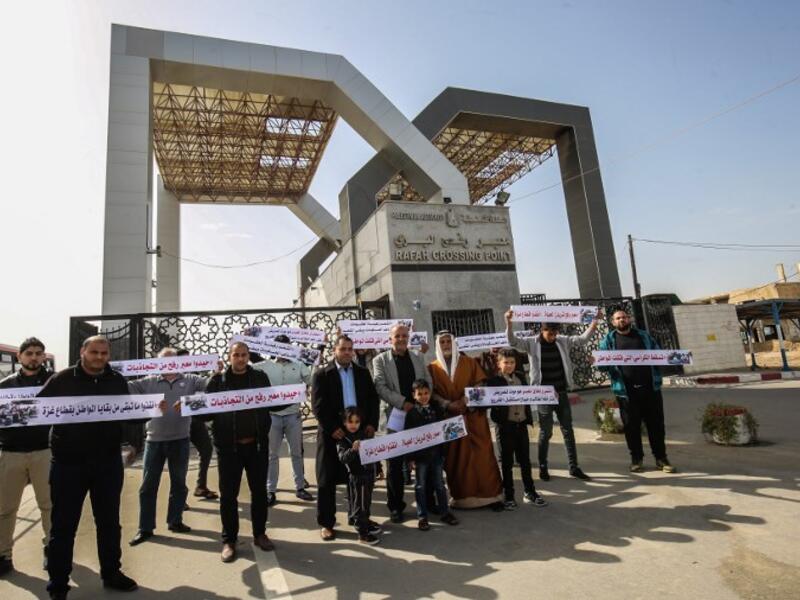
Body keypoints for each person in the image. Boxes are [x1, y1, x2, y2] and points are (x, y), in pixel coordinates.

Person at [40, 336, 138, 599]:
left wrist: (150, 411)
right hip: (68, 465)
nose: (99, 357)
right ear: (83, 352)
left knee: (109, 523)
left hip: (107, 464)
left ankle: (111, 572)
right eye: (94, 352)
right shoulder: (62, 379)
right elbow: (38, 411)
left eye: (104, 353)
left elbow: (129, 412)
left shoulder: (116, 380)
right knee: (63, 526)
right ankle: (58, 584)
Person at [127, 348, 214, 546]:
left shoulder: (191, 380)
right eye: (163, 361)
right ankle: (145, 528)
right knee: (148, 486)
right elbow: (123, 389)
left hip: (180, 440)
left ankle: (175, 521)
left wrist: (216, 371)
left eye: (171, 361)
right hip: (154, 441)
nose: (167, 365)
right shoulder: (147, 381)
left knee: (179, 484)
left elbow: (212, 386)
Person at [204, 341, 276, 563]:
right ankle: (229, 540)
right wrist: (188, 408)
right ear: (230, 356)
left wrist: (295, 395)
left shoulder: (260, 378)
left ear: (248, 356)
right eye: (236, 355)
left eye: (244, 354)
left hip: (256, 446)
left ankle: (260, 534)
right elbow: (206, 413)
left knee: (259, 493)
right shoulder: (217, 381)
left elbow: (273, 401)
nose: (241, 358)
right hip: (229, 449)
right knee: (228, 496)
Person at [505, 311, 597, 481]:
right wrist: (509, 323)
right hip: (544, 396)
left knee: (568, 430)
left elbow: (582, 339)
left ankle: (574, 467)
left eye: (555, 333)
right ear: (543, 330)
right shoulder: (532, 343)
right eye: (550, 334)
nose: (553, 337)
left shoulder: (562, 340)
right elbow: (513, 341)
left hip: (561, 393)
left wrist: (594, 323)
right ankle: (543, 467)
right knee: (546, 432)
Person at [311, 335, 380, 541]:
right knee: (326, 479)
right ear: (335, 350)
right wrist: (333, 428)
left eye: (350, 349)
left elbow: (372, 400)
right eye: (343, 349)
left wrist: (371, 424)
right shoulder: (322, 374)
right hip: (331, 433)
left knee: (357, 478)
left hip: (357, 432)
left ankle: (358, 516)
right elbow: (318, 406)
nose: (347, 352)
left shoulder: (362, 372)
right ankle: (326, 523)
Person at [428, 331, 504, 510]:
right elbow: (431, 393)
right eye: (442, 342)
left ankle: (491, 497)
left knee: (483, 456)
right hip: (450, 419)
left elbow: (480, 383)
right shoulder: (432, 368)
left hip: (473, 416)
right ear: (438, 345)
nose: (446, 345)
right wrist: (447, 404)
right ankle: (463, 498)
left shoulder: (469, 362)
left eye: (448, 341)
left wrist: (465, 400)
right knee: (457, 459)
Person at [597, 309, 676, 473]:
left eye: (624, 317)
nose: (622, 320)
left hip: (650, 390)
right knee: (631, 428)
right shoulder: (608, 341)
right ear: (613, 322)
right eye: (618, 318)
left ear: (629, 319)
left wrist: (667, 357)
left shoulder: (643, 336)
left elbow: (658, 353)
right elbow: (602, 367)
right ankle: (636, 459)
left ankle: (661, 458)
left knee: (656, 426)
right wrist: (598, 361)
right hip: (626, 393)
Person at [0, 337, 54, 576]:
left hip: (44, 452)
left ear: (43, 356)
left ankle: (52, 549)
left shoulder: (54, 382)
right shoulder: (5, 385)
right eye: (29, 353)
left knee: (49, 505)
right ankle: (4, 555)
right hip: (11, 453)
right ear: (19, 356)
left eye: (38, 353)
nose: (34, 357)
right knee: (5, 508)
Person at [372, 323, 431, 523]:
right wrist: (402, 402)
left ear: (408, 337)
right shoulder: (380, 360)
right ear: (390, 338)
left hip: (417, 415)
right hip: (394, 416)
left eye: (404, 336)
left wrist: (420, 402)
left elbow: (428, 381)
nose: (401, 339)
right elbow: (380, 386)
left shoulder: (417, 357)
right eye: (397, 336)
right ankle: (396, 506)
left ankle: (428, 502)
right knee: (395, 464)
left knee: (424, 458)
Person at [252, 335, 314, 506]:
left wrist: (309, 387)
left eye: (285, 346)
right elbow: (245, 370)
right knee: (272, 455)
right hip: (272, 417)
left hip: (293, 416)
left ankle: (300, 487)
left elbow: (312, 380)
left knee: (296, 453)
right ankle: (270, 490)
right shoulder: (265, 366)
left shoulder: (299, 365)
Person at [487, 349, 547, 509]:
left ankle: (530, 492)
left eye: (512, 362)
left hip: (521, 425)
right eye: (505, 362)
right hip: (504, 427)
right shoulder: (494, 381)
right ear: (499, 364)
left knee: (525, 461)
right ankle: (509, 495)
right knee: (507, 463)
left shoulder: (520, 377)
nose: (509, 365)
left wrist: (548, 395)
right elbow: (486, 399)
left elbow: (530, 395)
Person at [404, 379, 460, 530]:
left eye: (426, 393)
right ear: (414, 395)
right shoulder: (412, 414)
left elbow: (444, 431)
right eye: (420, 394)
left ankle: (445, 512)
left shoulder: (437, 410)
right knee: (420, 486)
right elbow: (408, 438)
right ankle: (422, 517)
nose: (423, 396)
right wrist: (410, 459)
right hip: (420, 457)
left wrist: (444, 452)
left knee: (440, 485)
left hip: (436, 455)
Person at [177, 349, 218, 502]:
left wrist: (215, 374)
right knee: (180, 457)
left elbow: (207, 386)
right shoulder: (171, 377)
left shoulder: (194, 376)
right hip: (179, 422)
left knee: (206, 449)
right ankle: (178, 497)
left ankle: (201, 486)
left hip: (195, 420)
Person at [336, 407, 380, 545]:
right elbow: (343, 458)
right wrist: (353, 450)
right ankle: (362, 533)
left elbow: (374, 452)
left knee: (366, 502)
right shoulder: (343, 439)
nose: (353, 425)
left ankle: (363, 522)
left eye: (357, 421)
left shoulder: (364, 435)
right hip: (357, 476)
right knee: (360, 505)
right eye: (350, 422)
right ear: (344, 422)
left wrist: (378, 468)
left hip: (368, 474)